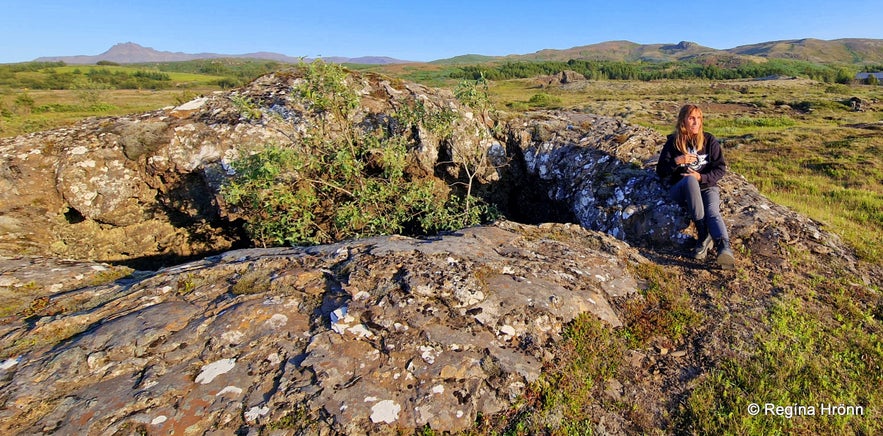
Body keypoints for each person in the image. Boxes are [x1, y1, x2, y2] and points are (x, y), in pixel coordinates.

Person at [656, 104, 735, 269]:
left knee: (713, 212)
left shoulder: (709, 140)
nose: (695, 122)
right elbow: (661, 171)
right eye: (691, 118)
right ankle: (703, 233)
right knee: (690, 180)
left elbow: (720, 169)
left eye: (698, 118)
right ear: (683, 120)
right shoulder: (673, 142)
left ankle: (724, 249)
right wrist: (677, 161)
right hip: (682, 189)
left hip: (707, 187)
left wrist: (702, 177)